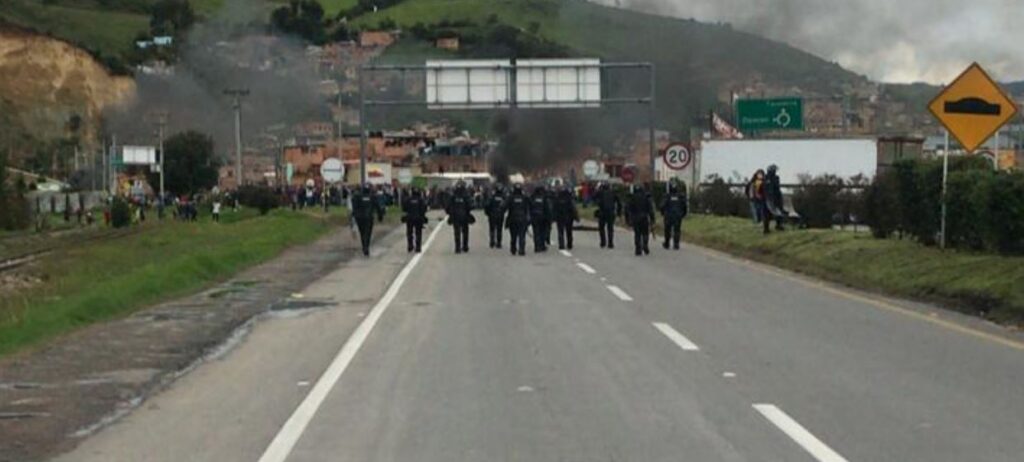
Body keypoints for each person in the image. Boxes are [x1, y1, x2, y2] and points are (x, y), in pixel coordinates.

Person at [351, 183, 385, 256]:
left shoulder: (357, 196)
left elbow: (354, 207)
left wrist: (354, 215)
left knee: (362, 232)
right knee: (368, 232)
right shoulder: (372, 197)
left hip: (360, 217)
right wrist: (380, 216)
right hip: (368, 217)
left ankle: (364, 246)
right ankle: (366, 246)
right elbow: (377, 206)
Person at [625, 185, 656, 256]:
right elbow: (650, 209)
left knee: (637, 234)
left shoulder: (632, 198)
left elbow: (628, 209)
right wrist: (652, 219)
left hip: (636, 218)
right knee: (645, 233)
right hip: (644, 218)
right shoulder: (646, 197)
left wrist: (628, 220)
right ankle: (645, 245)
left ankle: (638, 249)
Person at [446, 181, 474, 254]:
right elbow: (470, 205)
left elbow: (448, 206)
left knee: (457, 232)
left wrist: (450, 213)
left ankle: (457, 247)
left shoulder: (453, 196)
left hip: (455, 216)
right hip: (464, 216)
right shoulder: (466, 195)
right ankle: (465, 246)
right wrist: (468, 212)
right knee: (465, 232)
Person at [659, 181, 689, 250]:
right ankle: (676, 244)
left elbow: (662, 206)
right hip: (677, 216)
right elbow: (684, 206)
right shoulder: (680, 197)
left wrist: (662, 213)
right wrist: (683, 214)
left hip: (668, 216)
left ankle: (667, 243)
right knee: (677, 230)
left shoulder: (667, 196)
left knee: (667, 230)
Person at [594, 183, 622, 249]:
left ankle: (603, 242)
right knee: (610, 228)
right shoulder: (613, 193)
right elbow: (619, 203)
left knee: (601, 228)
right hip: (611, 212)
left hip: (602, 212)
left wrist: (597, 190)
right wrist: (619, 213)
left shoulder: (600, 192)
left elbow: (594, 197)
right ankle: (610, 243)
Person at [505, 184, 530, 256]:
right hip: (522, 219)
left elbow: (504, 206)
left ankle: (513, 248)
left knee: (513, 235)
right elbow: (530, 206)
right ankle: (521, 249)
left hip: (512, 219)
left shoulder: (510, 198)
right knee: (522, 235)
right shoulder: (525, 198)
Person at [553, 185, 579, 250]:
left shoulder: (557, 199)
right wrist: (576, 217)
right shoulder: (569, 199)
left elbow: (554, 208)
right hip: (569, 217)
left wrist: (553, 217)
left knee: (560, 231)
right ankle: (569, 244)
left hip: (560, 217)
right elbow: (573, 208)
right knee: (569, 231)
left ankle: (561, 244)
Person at [402, 187, 428, 253]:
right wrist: (423, 216)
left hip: (410, 218)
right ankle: (418, 247)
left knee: (409, 233)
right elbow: (424, 208)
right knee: (418, 233)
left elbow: (404, 208)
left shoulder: (408, 199)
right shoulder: (421, 200)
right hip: (418, 218)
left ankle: (410, 246)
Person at [529, 185, 553, 253]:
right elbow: (547, 208)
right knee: (542, 232)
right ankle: (542, 246)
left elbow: (529, 207)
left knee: (536, 232)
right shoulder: (544, 198)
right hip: (543, 218)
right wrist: (549, 218)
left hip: (534, 217)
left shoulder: (532, 197)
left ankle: (537, 246)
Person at [763, 164, 786, 234]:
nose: (775, 171)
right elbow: (768, 189)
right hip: (769, 198)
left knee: (778, 211)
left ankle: (778, 225)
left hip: (775, 197)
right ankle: (766, 228)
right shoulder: (767, 178)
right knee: (769, 213)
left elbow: (777, 188)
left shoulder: (775, 178)